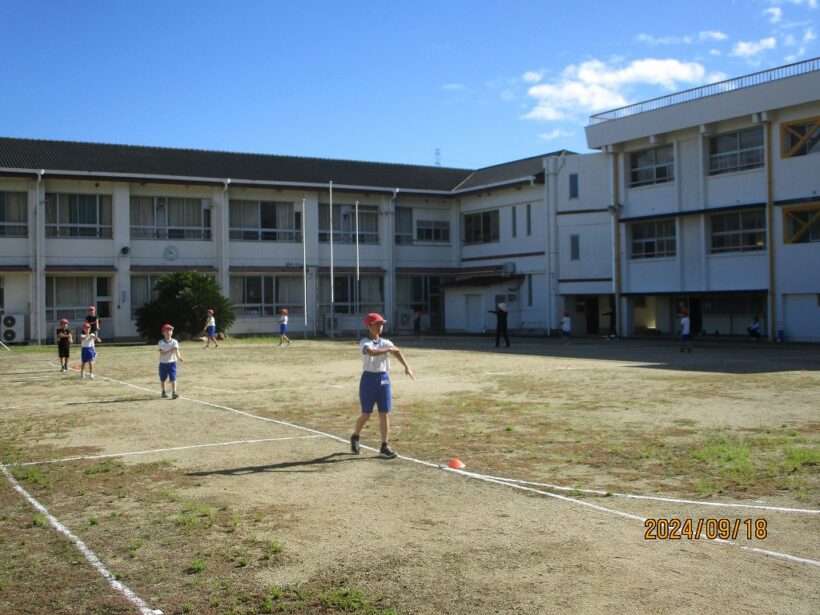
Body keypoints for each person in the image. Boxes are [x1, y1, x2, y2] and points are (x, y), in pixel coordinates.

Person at [350, 313, 415, 460]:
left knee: (384, 412)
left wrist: (407, 366)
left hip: (383, 378)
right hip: (368, 379)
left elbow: (397, 351)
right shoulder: (365, 342)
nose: (380, 326)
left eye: (381, 324)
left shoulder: (385, 342)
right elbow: (372, 352)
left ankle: (384, 446)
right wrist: (389, 350)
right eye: (377, 324)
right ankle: (355, 436)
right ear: (369, 326)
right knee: (366, 414)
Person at [158, 323, 184, 399]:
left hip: (172, 363)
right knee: (163, 379)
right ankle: (163, 391)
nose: (169, 332)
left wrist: (179, 357)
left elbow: (176, 350)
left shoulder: (174, 341)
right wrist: (170, 350)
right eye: (167, 331)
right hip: (163, 364)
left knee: (173, 378)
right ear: (163, 333)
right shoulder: (161, 342)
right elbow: (162, 353)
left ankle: (174, 392)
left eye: (170, 331)